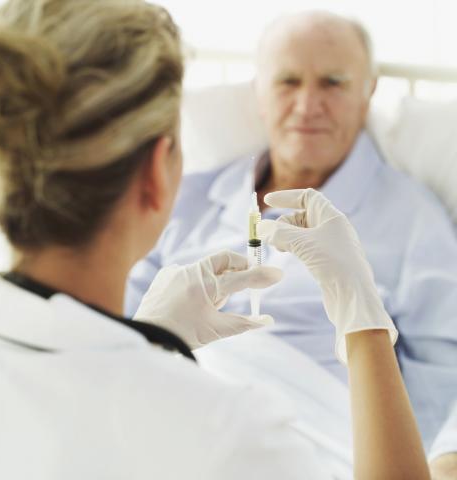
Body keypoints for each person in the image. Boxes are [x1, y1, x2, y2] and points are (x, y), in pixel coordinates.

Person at [0, 1, 432, 479]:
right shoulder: (230, 431)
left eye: (332, 82)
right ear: (157, 172)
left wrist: (152, 338)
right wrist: (365, 326)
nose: (307, 104)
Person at [125, 10, 457, 474]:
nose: (307, 105)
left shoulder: (413, 219)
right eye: (287, 82)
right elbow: (117, 328)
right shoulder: (186, 197)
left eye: (333, 83)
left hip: (315, 437)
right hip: (175, 412)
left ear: (369, 93)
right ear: (258, 92)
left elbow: (443, 377)